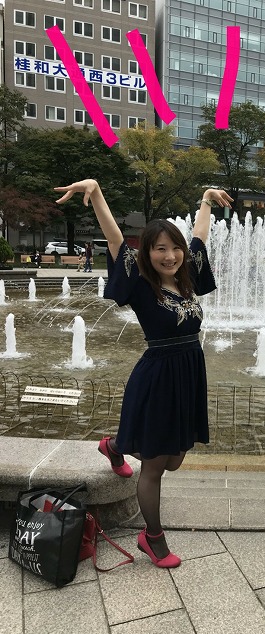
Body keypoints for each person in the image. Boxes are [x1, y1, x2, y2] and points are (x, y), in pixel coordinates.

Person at [54, 179, 233, 569]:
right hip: (158, 378)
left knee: (174, 459)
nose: (170, 256)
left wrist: (205, 199)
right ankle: (153, 539)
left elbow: (199, 237)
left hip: (188, 376)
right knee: (155, 467)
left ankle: (115, 445)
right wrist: (97, 192)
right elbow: (115, 239)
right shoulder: (140, 284)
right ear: (147, 253)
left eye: (174, 248)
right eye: (160, 249)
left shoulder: (186, 277)